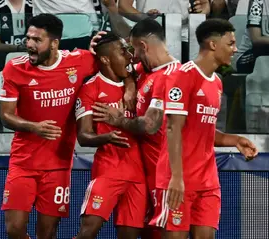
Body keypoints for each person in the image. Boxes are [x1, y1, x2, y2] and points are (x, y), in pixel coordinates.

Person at [0, 14, 136, 239]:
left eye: (37, 40)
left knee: (48, 232)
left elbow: (123, 66)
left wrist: (129, 87)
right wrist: (34, 127)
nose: (30, 45)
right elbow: (5, 116)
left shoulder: (80, 61)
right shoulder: (14, 69)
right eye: (28, 38)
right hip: (23, 162)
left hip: (59, 164)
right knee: (14, 229)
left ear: (54, 43)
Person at [150, 18, 258, 239]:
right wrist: (177, 178)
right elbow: (173, 128)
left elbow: (204, 130)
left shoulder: (217, 82)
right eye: (231, 43)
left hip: (208, 182)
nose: (235, 49)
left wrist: (235, 140)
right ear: (213, 44)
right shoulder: (183, 75)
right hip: (178, 179)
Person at [91, 18, 180, 239]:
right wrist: (130, 86)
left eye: (135, 50)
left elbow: (150, 125)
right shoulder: (147, 70)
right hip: (144, 173)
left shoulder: (173, 76)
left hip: (164, 174)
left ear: (143, 46)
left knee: (163, 234)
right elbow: (126, 70)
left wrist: (118, 120)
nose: (133, 57)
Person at [74, 32, 146, 239]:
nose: (129, 56)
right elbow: (84, 136)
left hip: (138, 175)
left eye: (128, 50)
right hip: (108, 171)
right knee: (87, 233)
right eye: (122, 52)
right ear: (105, 59)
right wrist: (107, 137)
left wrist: (131, 86)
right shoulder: (90, 89)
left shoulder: (136, 80)